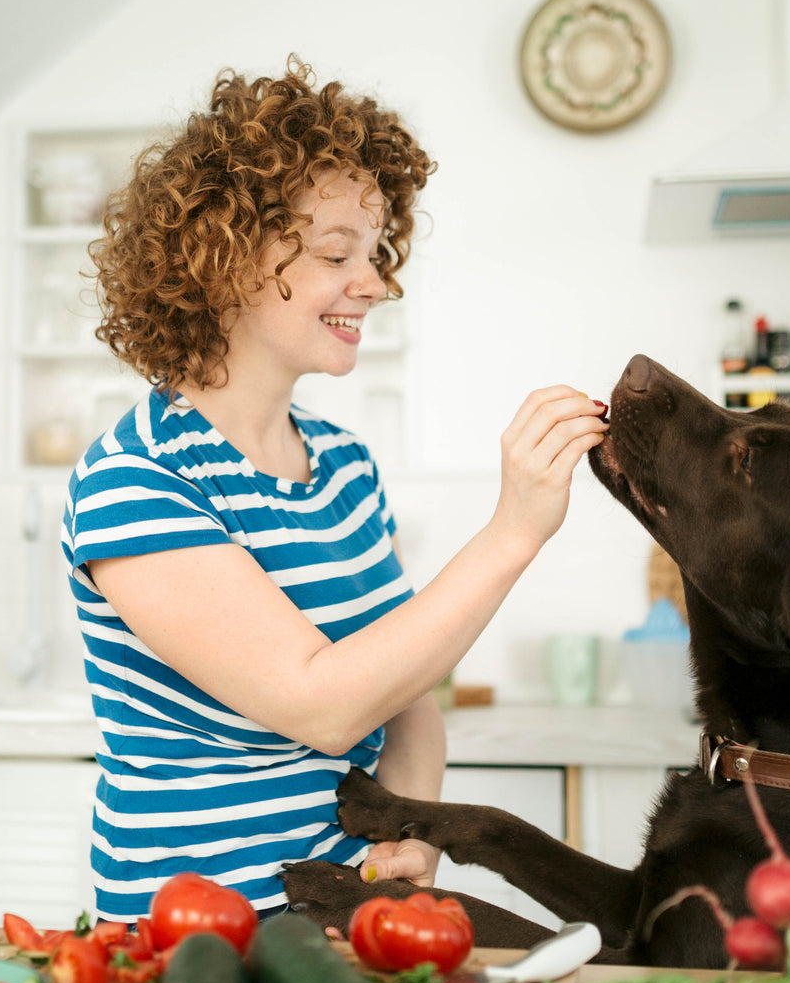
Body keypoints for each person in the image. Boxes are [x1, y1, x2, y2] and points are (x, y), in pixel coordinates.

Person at [62, 58, 607, 920]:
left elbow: (407, 691)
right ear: (224, 260)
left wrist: (414, 832)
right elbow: (324, 705)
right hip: (202, 932)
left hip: (355, 911)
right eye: (335, 253)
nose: (375, 283)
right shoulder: (138, 479)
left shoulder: (344, 463)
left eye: (375, 252)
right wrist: (515, 529)